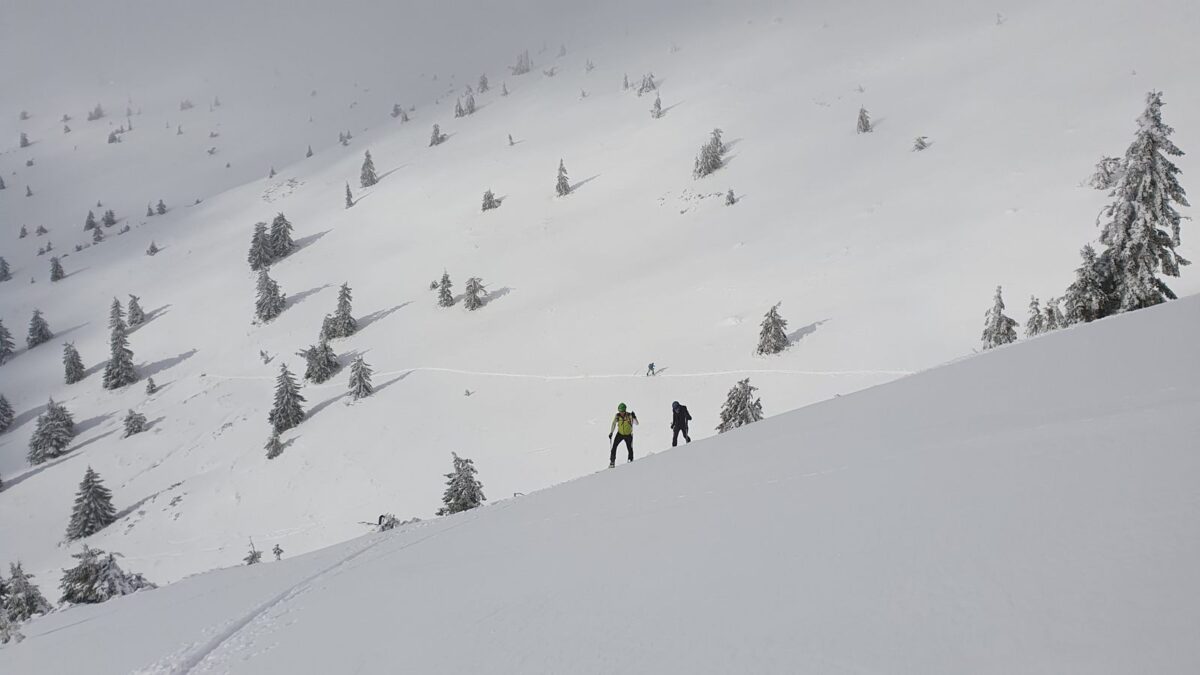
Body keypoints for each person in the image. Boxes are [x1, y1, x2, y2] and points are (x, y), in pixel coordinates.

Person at [608, 402, 638, 467]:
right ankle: (612, 462)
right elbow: (613, 424)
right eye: (620, 411)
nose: (621, 412)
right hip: (620, 434)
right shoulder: (617, 416)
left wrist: (634, 417)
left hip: (628, 435)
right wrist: (611, 432)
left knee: (629, 448)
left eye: (622, 411)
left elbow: (636, 423)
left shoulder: (629, 415)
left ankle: (630, 460)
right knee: (614, 447)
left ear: (625, 410)